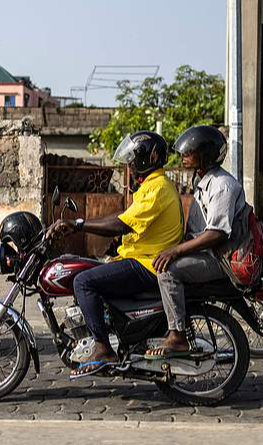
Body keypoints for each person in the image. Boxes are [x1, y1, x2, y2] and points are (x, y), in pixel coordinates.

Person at [47, 131, 184, 379]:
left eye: (133, 160)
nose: (130, 165)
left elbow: (122, 223)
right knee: (88, 269)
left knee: (83, 281)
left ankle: (102, 348)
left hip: (148, 264)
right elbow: (136, 226)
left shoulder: (158, 188)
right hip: (139, 258)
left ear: (150, 157)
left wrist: (79, 224)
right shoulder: (150, 187)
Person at [146, 125, 247, 360]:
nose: (184, 156)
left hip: (221, 259)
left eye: (190, 151)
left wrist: (175, 251)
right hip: (208, 252)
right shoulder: (202, 181)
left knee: (167, 272)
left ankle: (177, 335)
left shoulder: (222, 185)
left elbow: (216, 234)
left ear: (206, 154)